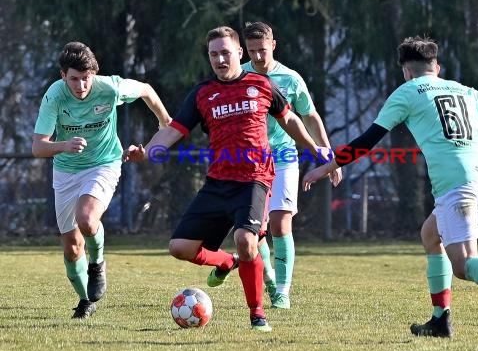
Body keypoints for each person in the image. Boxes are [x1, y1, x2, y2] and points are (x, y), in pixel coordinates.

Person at [302, 36, 478, 337]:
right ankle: (440, 320)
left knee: (464, 265)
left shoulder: (407, 92)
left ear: (406, 70)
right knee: (431, 235)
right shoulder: (466, 90)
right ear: (437, 67)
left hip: (457, 183)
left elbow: (366, 142)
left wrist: (327, 167)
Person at [123, 26, 329, 332]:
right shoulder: (203, 94)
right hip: (218, 183)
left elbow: (290, 119)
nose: (220, 59)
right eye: (214, 54)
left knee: (246, 240)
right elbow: (173, 130)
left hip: (255, 179)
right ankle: (224, 262)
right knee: (179, 248)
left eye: (225, 52)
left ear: (238, 53)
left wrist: (315, 149)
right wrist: (147, 151)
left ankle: (257, 314)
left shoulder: (262, 84)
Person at [32, 41, 172, 319]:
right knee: (72, 249)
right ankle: (86, 300)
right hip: (66, 170)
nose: (81, 86)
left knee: (87, 218)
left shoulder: (110, 87)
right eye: (74, 79)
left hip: (105, 163)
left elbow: (146, 90)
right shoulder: (55, 96)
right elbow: (38, 147)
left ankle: (97, 264)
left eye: (86, 78)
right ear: (63, 76)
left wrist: (165, 122)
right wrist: (63, 145)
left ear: (94, 74)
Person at [241, 21, 342, 309]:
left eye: (262, 49)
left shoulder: (290, 79)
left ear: (273, 44)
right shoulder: (241, 75)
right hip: (250, 160)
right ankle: (270, 281)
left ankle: (283, 291)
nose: (258, 57)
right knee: (256, 229)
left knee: (281, 223)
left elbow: (309, 116)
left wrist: (328, 154)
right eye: (252, 51)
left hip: (284, 156)